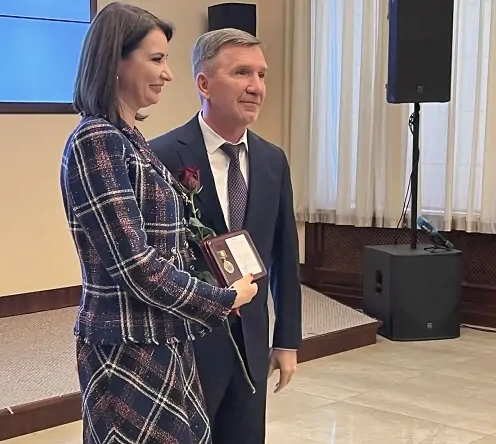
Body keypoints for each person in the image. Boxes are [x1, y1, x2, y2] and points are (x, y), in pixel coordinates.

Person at [60, 5, 259, 444]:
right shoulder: (97, 140)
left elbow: (166, 249)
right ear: (114, 60)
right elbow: (135, 266)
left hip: (162, 335)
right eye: (156, 59)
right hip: (127, 345)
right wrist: (222, 299)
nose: (168, 74)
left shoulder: (129, 138)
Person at [150, 28, 303, 444]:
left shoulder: (272, 160)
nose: (257, 87)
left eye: (261, 75)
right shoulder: (161, 156)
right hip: (190, 345)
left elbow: (284, 255)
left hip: (251, 343)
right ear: (204, 84)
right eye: (241, 73)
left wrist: (287, 341)